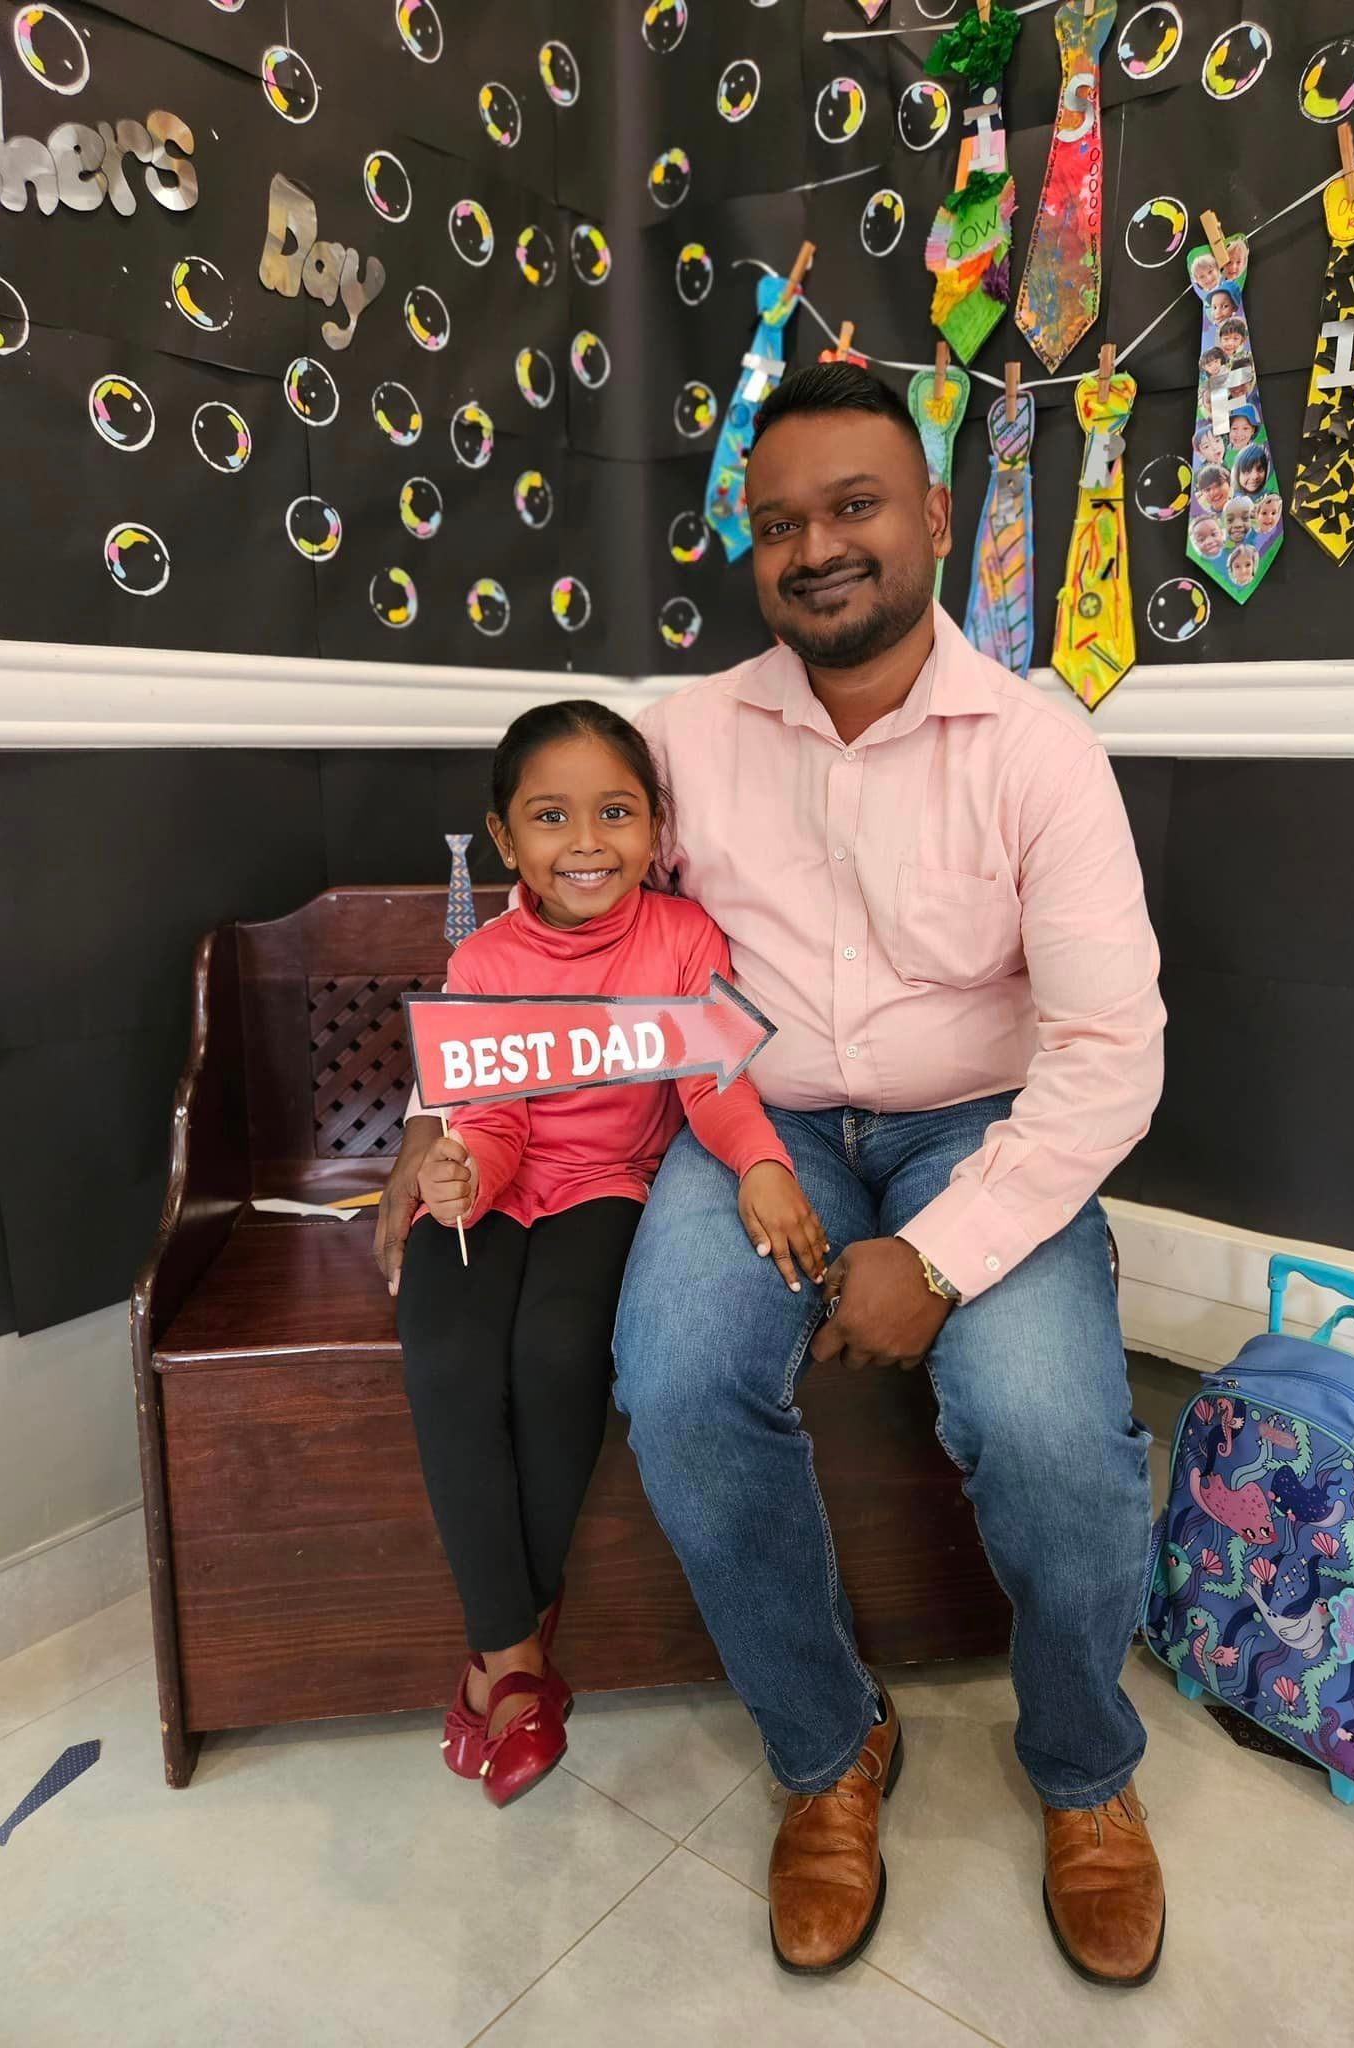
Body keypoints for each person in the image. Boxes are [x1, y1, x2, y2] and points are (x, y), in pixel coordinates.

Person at [376, 364, 1167, 1989]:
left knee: (1046, 1424)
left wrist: (937, 1258)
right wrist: (435, 1116)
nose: (816, 545)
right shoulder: (682, 743)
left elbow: (1111, 1051)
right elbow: (555, 924)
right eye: (779, 520)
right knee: (677, 1378)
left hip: (977, 1126)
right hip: (757, 1120)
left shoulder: (1038, 751)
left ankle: (1086, 1767)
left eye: (854, 504)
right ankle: (827, 1745)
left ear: (934, 515)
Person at [394, 700, 824, 1808]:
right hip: (492, 1189)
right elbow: (488, 1115)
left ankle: (500, 1670)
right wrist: (459, 1169)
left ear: (655, 825)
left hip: (608, 1188)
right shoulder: (484, 960)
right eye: (551, 816)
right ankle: (514, 1656)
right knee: (449, 1359)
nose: (586, 841)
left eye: (616, 813)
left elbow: (711, 1086)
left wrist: (762, 1163)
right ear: (505, 838)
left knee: (557, 1355)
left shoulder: (682, 939)